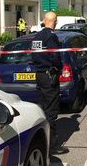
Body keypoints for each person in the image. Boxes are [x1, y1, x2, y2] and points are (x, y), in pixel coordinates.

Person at [31, 12, 69, 155]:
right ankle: (52, 146)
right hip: (49, 76)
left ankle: (41, 141)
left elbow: (34, 55)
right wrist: (58, 68)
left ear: (44, 21)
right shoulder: (51, 37)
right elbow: (55, 57)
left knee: (42, 109)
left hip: (39, 76)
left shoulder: (37, 37)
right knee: (51, 111)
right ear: (55, 21)